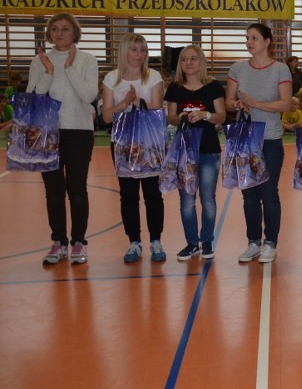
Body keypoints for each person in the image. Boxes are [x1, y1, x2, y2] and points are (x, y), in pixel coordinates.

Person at [28, 14, 98, 265]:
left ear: (74, 33)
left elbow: (89, 95)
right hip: (48, 132)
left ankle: (78, 242)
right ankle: (58, 241)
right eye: (55, 29)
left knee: (77, 189)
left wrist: (69, 69)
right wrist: (48, 72)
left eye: (65, 29)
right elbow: (33, 98)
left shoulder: (87, 60)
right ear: (49, 33)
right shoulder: (40, 61)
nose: (59, 33)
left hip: (79, 131)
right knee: (53, 192)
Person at [226, 23, 293, 264]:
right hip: (245, 141)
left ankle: (270, 242)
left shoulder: (280, 69)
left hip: (270, 140)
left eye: (254, 38)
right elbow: (228, 101)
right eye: (247, 38)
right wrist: (238, 104)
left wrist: (256, 104)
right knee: (249, 195)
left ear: (267, 41)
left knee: (269, 193)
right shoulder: (238, 68)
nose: (249, 42)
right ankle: (253, 242)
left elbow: (286, 104)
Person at [101, 33, 167, 263]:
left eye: (143, 50)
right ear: (124, 51)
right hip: (123, 145)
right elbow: (106, 116)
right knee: (128, 195)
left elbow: (157, 108)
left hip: (150, 144)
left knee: (152, 194)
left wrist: (139, 101)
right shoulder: (111, 79)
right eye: (134, 49)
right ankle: (134, 242)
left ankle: (156, 240)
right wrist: (125, 102)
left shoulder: (153, 77)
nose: (140, 54)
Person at [165, 45, 226, 261]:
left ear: (201, 61)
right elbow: (171, 118)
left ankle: (207, 241)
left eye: (193, 58)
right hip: (185, 153)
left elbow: (221, 116)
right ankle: (192, 243)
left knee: (208, 199)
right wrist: (180, 117)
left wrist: (205, 115)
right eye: (184, 59)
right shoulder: (175, 88)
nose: (188, 63)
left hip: (209, 151)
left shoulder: (213, 86)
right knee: (187, 200)